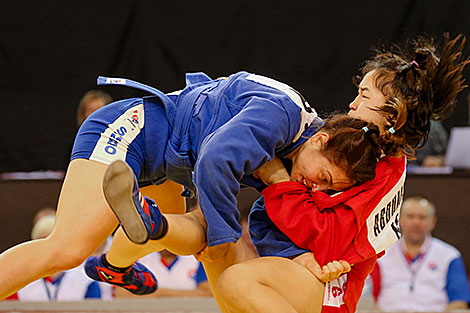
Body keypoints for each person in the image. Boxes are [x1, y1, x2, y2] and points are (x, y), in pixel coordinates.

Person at [85, 34, 468, 313]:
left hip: (323, 285)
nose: (352, 103)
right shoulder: (347, 142)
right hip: (285, 262)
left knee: (236, 271)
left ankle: (137, 242)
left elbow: (331, 242)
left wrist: (280, 183)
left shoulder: (381, 169)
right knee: (212, 237)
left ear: (393, 115)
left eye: (364, 98)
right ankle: (147, 232)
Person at [0, 62, 382, 299]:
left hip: (171, 162)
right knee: (67, 249)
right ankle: (116, 258)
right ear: (320, 139)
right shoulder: (279, 117)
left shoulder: (297, 159)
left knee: (171, 230)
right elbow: (216, 160)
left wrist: (303, 261)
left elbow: (271, 225)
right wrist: (225, 238)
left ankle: (114, 267)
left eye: (330, 190)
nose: (318, 189)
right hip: (133, 129)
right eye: (325, 179)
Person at [369, 195, 470, 311]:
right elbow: (368, 297)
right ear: (399, 220)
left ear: (433, 221)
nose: (416, 222)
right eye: (410, 217)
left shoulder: (450, 255)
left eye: (422, 217)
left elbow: (460, 301)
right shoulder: (380, 254)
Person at [5, 215, 113, 301]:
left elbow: (94, 308)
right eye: (44, 241)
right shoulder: (20, 280)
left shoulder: (85, 279)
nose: (51, 250)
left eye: (57, 243)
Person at [114, 249, 211, 298]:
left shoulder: (196, 260)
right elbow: (120, 293)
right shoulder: (141, 260)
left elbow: (208, 293)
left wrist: (161, 293)